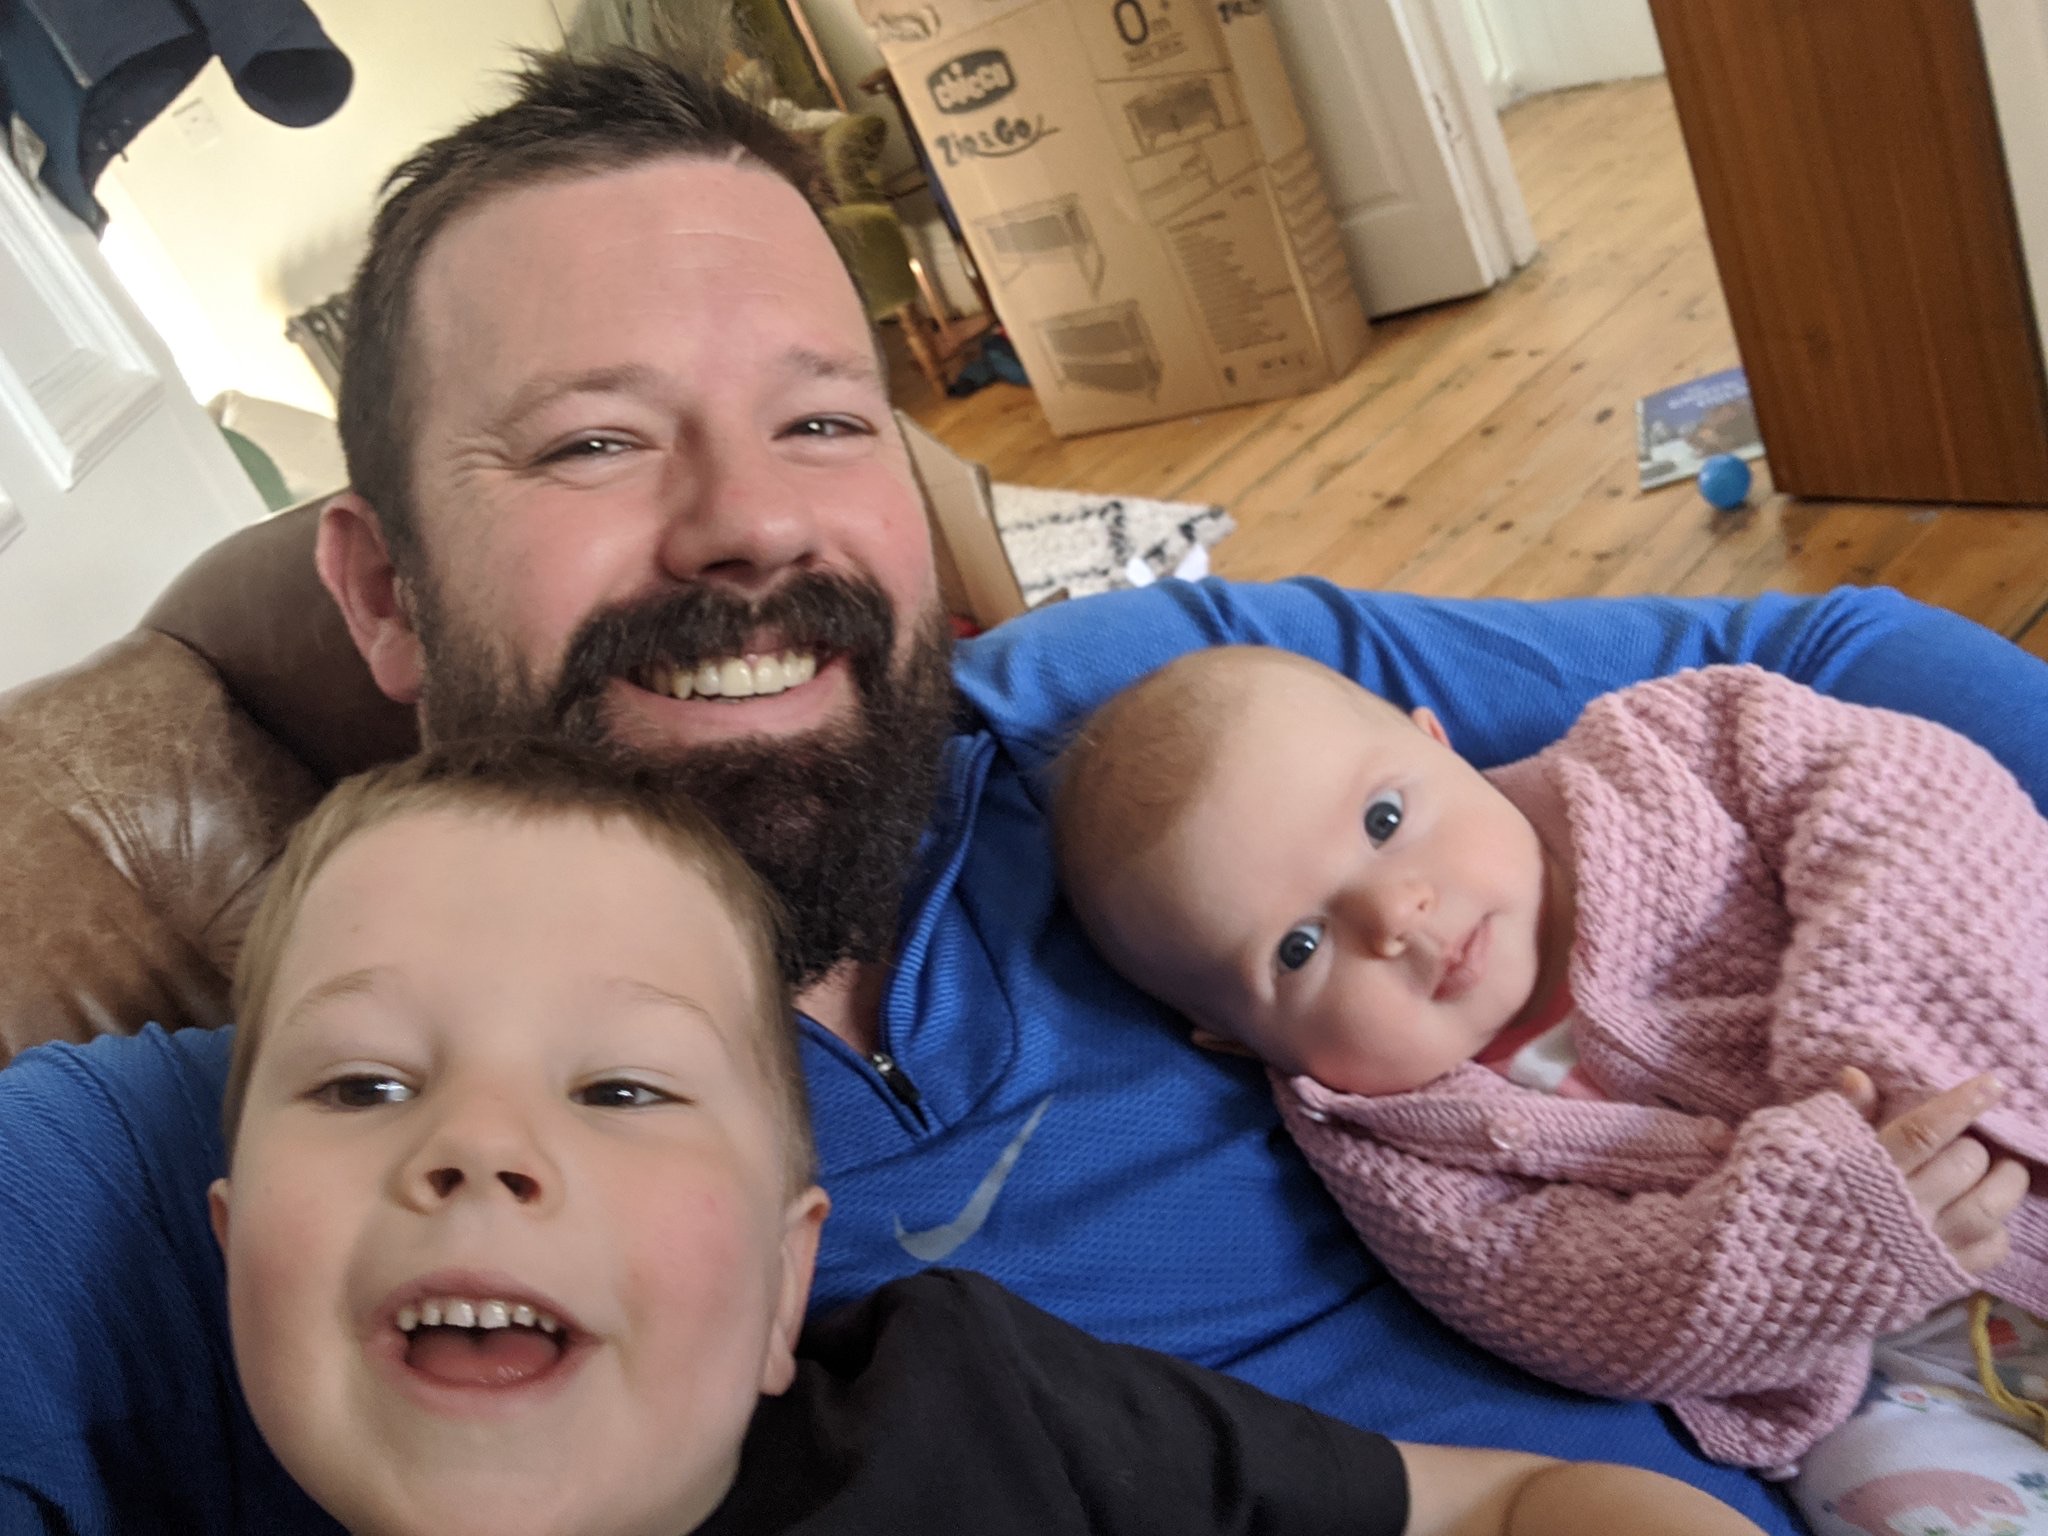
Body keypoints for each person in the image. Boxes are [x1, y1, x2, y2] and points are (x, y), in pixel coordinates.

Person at [3, 44, 2048, 1534]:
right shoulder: (303, 1149)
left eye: (822, 420)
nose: (748, 523)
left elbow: (1814, 659)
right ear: (380, 589)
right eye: (593, 443)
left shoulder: (1169, 726)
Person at [205, 734, 1768, 1536]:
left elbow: (1502, 1507)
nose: (479, 1149)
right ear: (228, 1249)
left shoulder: (972, 1403)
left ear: (783, 1285)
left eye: (620, 1090)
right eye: (362, 1085)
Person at [1049, 646, 2048, 1530]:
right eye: (1299, 947)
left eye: (1384, 819)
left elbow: (1919, 803)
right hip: (1884, 1377)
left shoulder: (1671, 752)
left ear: (1437, 743)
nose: (1394, 914)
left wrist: (1878, 1059)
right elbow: (1584, 1310)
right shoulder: (1397, 1150)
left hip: (2013, 1126)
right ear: (1236, 1039)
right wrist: (1818, 1237)